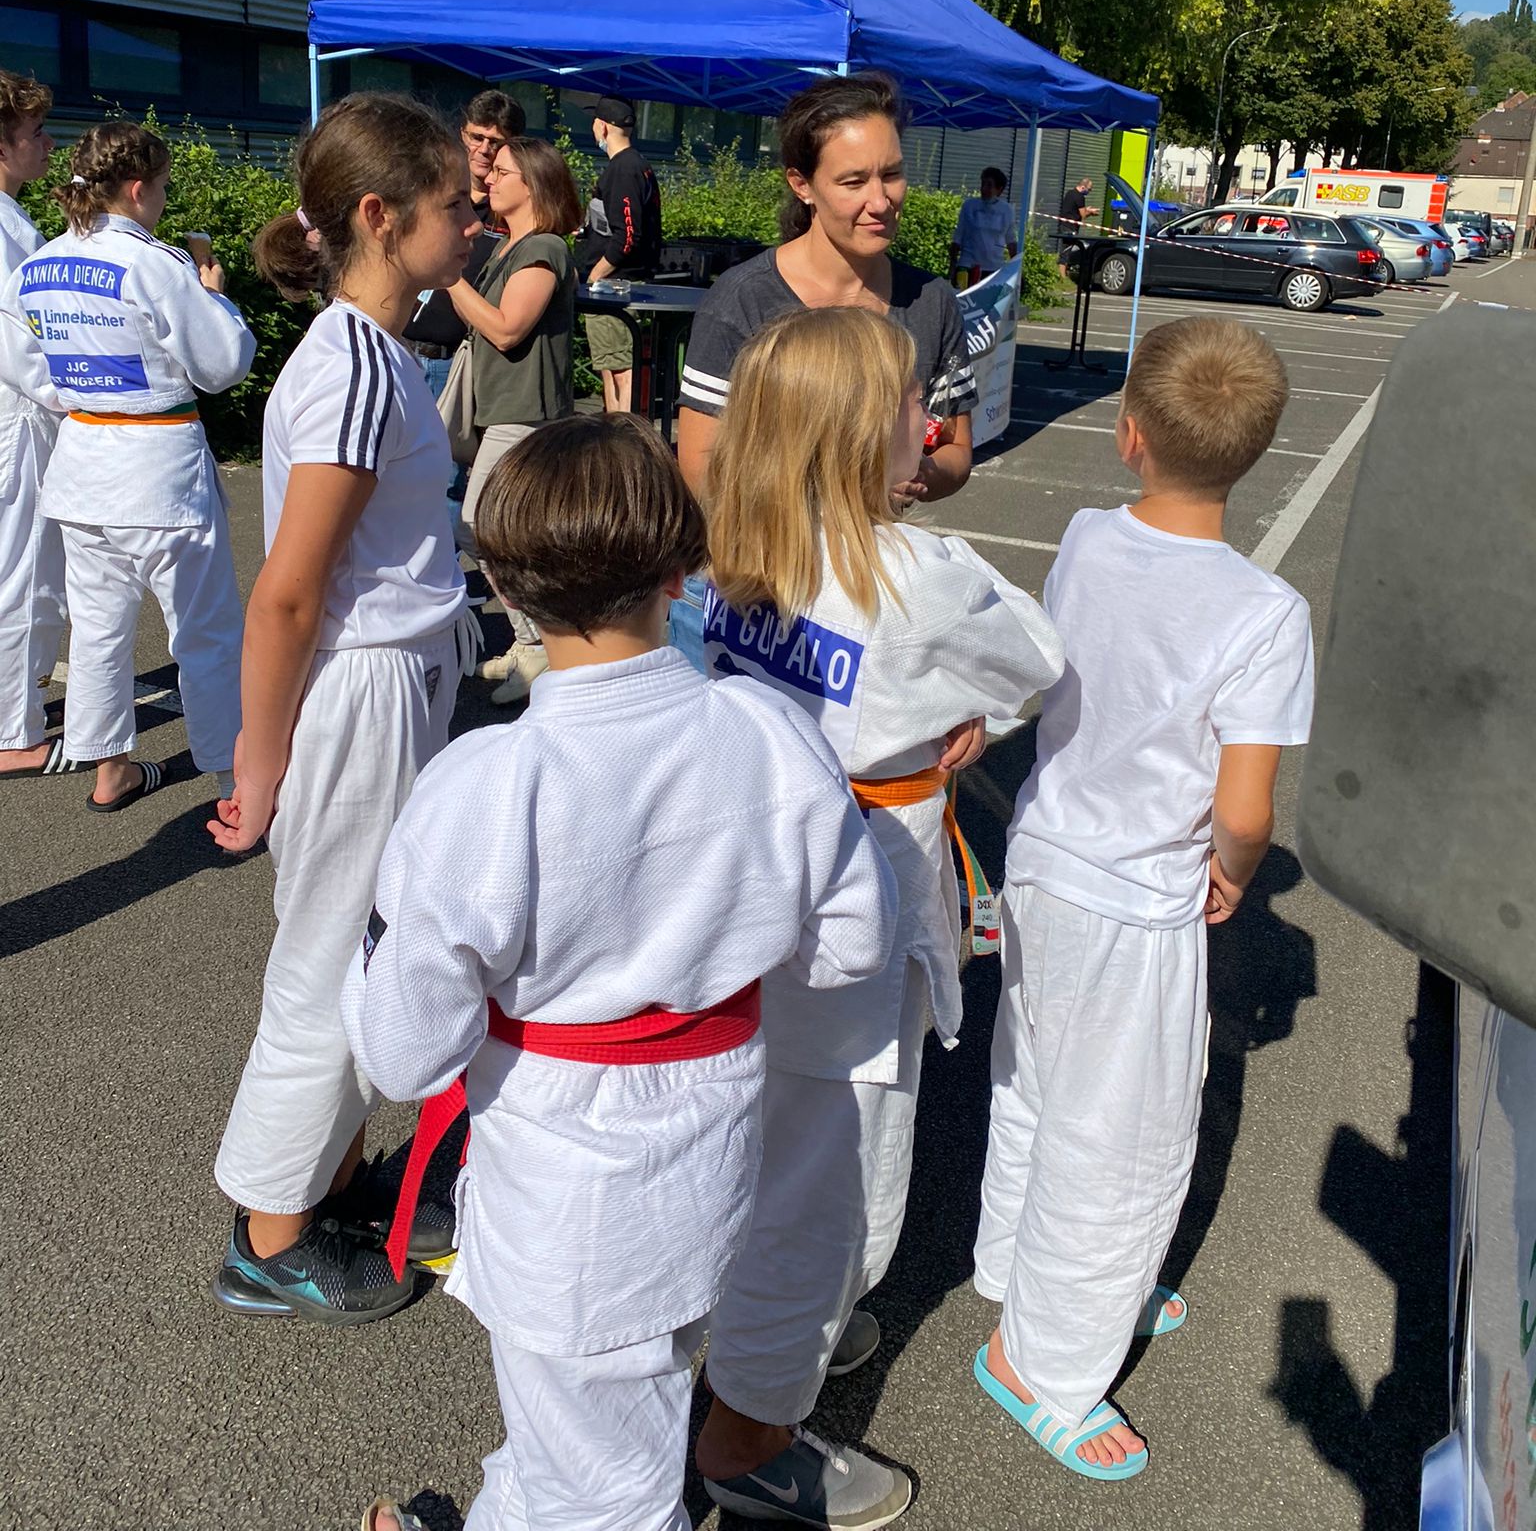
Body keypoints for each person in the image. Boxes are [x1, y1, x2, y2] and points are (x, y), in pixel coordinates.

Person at [343, 413, 898, 1531]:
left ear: (504, 586)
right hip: (714, 1137)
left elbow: (402, 1052)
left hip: (566, 1187)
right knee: (585, 1426)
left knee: (608, 1484)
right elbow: (853, 945)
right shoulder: (770, 736)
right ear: (684, 568)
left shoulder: (483, 786)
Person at [693, 308, 1064, 1529]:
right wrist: (968, 714)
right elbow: (1035, 653)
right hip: (866, 893)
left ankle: (764, 1332)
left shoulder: (735, 556)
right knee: (839, 1174)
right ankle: (749, 1434)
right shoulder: (920, 577)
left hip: (749, 891)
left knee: (763, 1132)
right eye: (916, 401)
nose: (934, 421)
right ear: (863, 435)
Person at [971, 316, 1314, 1480]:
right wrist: (1237, 867)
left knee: (1035, 1075)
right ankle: (1045, 1360)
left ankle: (1016, 1267)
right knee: (1119, 1136)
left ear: (1129, 435)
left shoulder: (1083, 534)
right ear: (1256, 450)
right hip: (1135, 890)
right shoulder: (1265, 612)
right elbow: (1246, 805)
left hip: (1042, 855)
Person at [210, 93, 481, 1324]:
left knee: (363, 946)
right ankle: (271, 1234)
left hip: (390, 681)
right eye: (456, 205)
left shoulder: (372, 353)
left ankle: (324, 1177)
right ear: (381, 215)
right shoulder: (357, 367)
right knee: (329, 961)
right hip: (365, 691)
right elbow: (287, 592)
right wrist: (259, 763)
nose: (473, 224)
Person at [673, 72, 977, 667]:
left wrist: (919, 474)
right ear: (802, 184)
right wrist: (829, 500)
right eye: (853, 181)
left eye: (892, 174)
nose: (880, 201)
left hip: (872, 597)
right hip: (755, 592)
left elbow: (957, 450)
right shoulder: (744, 301)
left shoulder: (931, 302)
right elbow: (702, 469)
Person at [0, 121, 254, 812]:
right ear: (138, 189)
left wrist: (82, 393)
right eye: (163, 187)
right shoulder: (155, 263)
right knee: (204, 633)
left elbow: (26, 363)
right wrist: (213, 294)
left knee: (99, 632)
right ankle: (232, 784)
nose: (164, 201)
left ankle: (109, 767)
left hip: (82, 464)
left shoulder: (39, 264)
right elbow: (223, 364)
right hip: (159, 469)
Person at [449, 134, 583, 703]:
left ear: (534, 183)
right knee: (504, 532)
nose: (489, 179)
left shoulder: (544, 248)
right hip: (504, 410)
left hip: (527, 414)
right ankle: (533, 643)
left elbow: (507, 329)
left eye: (502, 172)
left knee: (481, 528)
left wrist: (448, 277)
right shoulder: (509, 246)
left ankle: (537, 645)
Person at [0, 70, 69, 780]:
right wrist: (82, 395)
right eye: (35, 132)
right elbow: (20, 346)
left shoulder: (10, 222)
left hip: (18, 417)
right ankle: (14, 731)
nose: (48, 144)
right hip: (17, 422)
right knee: (21, 573)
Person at [401, 90, 524, 394]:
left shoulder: (511, 211)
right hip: (401, 347)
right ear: (462, 134)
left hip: (454, 360)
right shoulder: (431, 192)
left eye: (495, 142)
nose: (484, 150)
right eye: (476, 138)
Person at [577, 95, 662, 414]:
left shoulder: (624, 168)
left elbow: (628, 236)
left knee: (621, 370)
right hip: (617, 285)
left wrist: (596, 275)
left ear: (602, 126)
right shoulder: (636, 165)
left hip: (613, 287)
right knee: (610, 367)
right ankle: (615, 427)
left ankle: (622, 432)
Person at [950, 166, 1018, 286]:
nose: (984, 189)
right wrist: (952, 265)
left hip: (994, 268)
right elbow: (958, 234)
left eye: (989, 185)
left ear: (999, 189)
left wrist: (1017, 270)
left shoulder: (1006, 210)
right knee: (963, 296)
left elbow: (1011, 240)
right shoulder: (969, 206)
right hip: (967, 265)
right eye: (983, 184)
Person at [1057, 175, 1093, 279]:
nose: (1089, 192)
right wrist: (1091, 212)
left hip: (1063, 225)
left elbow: (1073, 208)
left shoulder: (1070, 193)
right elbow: (1083, 214)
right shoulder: (1080, 197)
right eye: (1089, 189)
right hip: (1070, 227)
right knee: (1067, 251)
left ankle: (1065, 272)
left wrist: (1086, 209)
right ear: (1083, 187)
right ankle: (1062, 276)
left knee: (1066, 249)